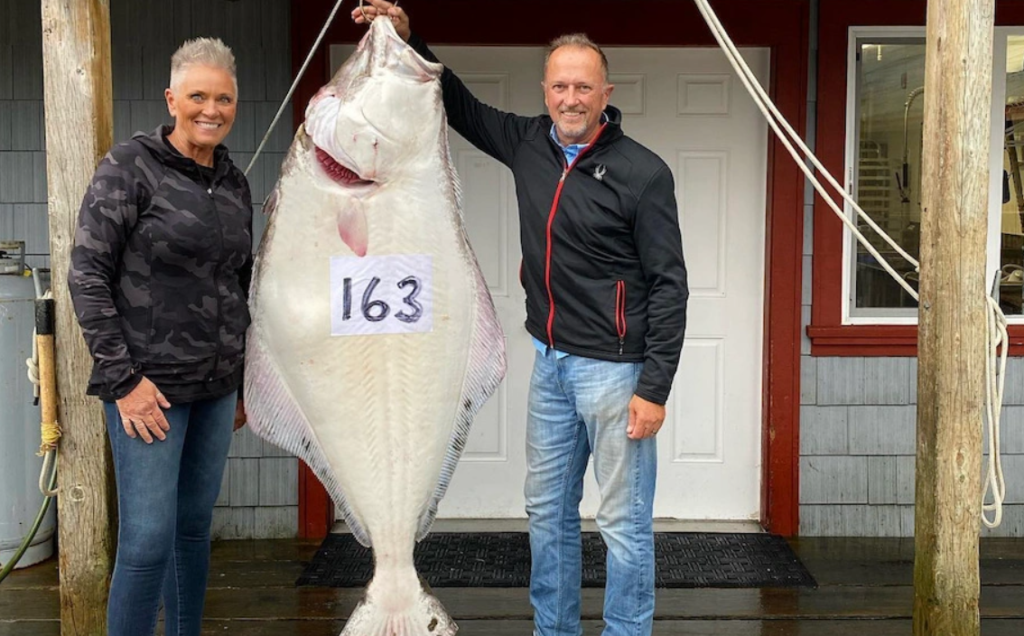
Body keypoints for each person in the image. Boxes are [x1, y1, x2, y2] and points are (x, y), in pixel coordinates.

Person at [352, 4, 689, 636]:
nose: (570, 97)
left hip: (617, 377)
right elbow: (458, 103)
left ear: (606, 94)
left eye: (583, 86)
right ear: (545, 90)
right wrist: (406, 37)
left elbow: (671, 284)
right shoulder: (528, 142)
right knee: (547, 515)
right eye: (559, 85)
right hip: (551, 364)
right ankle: (553, 630)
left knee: (622, 522)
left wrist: (655, 387)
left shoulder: (643, 174)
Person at [68, 37, 252, 636]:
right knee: (147, 541)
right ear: (172, 97)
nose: (211, 109)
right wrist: (124, 382)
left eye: (223, 98)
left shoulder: (233, 182)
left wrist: (243, 380)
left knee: (194, 530)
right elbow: (87, 275)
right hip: (149, 392)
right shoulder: (130, 167)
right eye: (197, 96)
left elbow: (241, 285)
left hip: (217, 387)